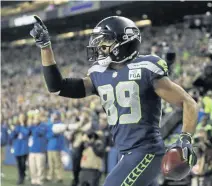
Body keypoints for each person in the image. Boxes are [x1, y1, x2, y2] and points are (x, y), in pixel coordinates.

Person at [30, 15, 198, 186]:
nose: (99, 46)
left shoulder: (146, 68)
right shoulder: (98, 74)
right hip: (124, 153)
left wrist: (185, 138)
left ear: (124, 42)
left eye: (105, 41)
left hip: (146, 152)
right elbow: (57, 87)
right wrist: (45, 47)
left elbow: (188, 102)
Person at [9, 113, 29, 185]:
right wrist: (14, 130)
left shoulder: (26, 126)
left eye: (22, 117)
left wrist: (22, 126)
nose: (21, 118)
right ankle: (20, 177)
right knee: (19, 164)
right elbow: (11, 136)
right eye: (20, 117)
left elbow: (26, 133)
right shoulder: (16, 127)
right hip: (17, 147)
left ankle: (23, 176)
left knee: (23, 164)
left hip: (24, 148)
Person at [28, 113, 47, 186]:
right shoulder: (32, 126)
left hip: (40, 150)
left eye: (37, 118)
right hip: (32, 150)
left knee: (40, 167)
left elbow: (39, 132)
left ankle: (40, 181)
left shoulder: (43, 126)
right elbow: (27, 132)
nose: (35, 120)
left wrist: (33, 126)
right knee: (32, 166)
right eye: (34, 118)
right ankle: (34, 180)